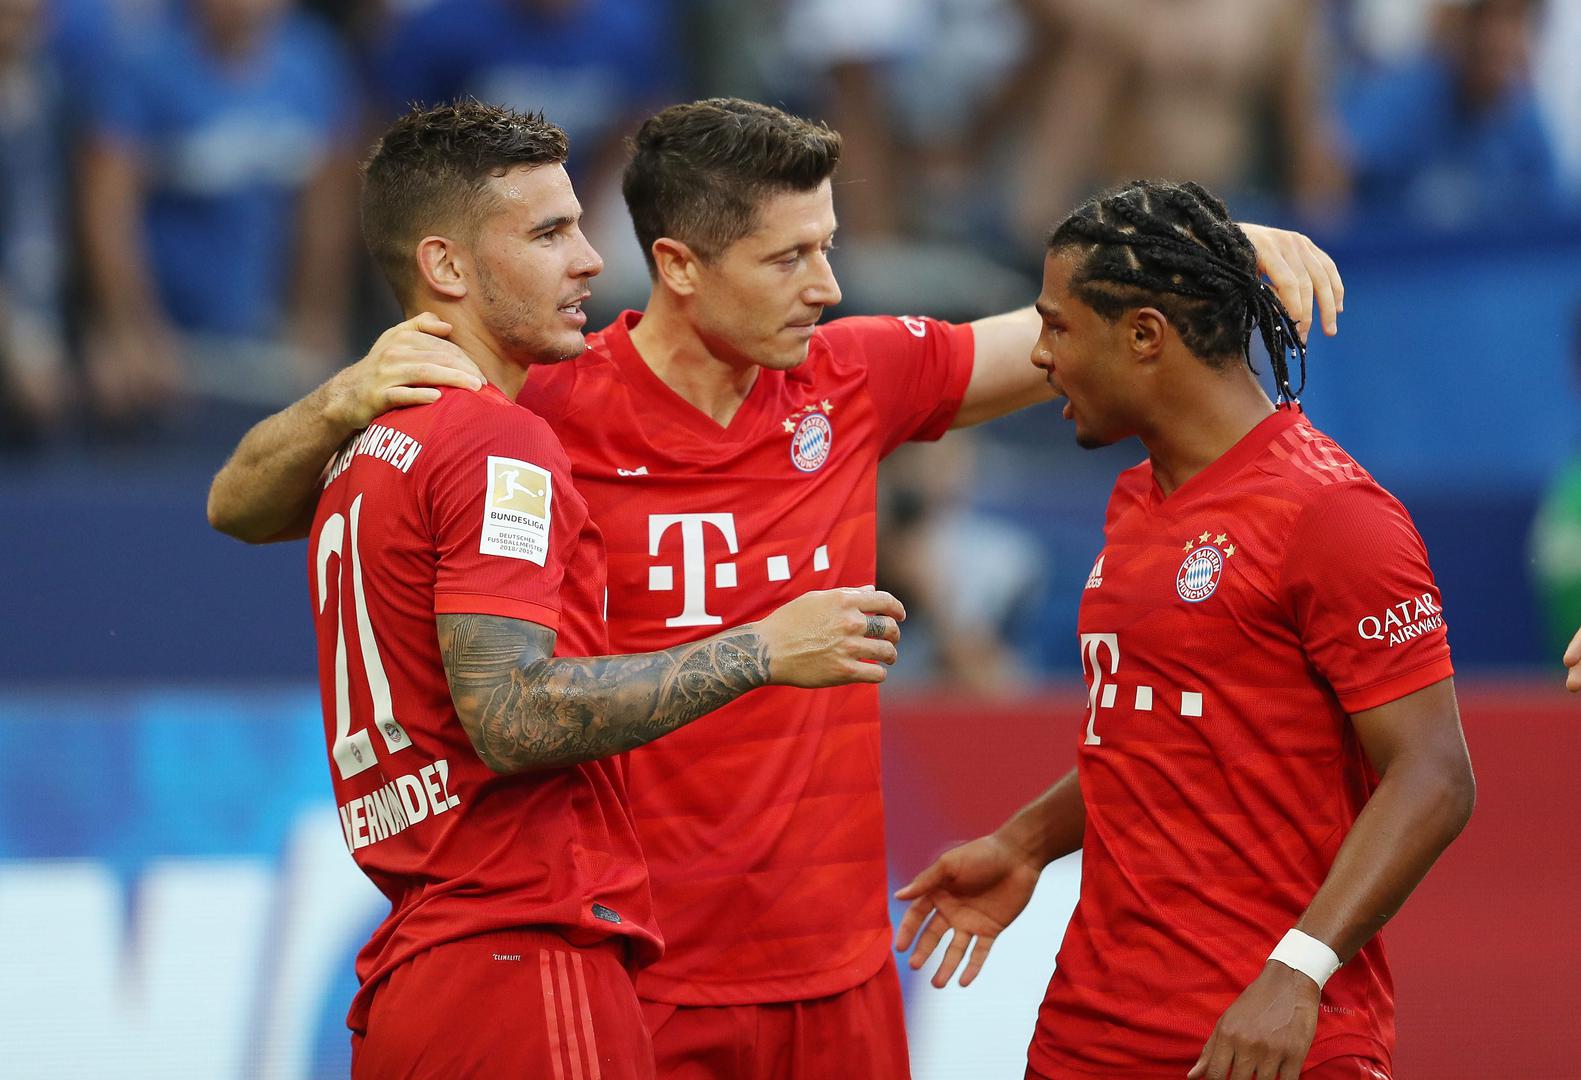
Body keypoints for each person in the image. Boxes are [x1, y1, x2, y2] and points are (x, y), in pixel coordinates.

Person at [208, 98, 1343, 1077]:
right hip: (638, 966)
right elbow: (241, 506)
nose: (826, 286)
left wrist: (1212, 246)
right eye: (789, 258)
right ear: (680, 266)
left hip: (837, 978)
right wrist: (339, 397)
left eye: (827, 247)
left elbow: (1057, 340)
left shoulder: (852, 378)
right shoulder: (534, 405)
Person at [284, 99, 905, 1078]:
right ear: (446, 266)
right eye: (548, 234)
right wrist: (764, 649)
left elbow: (234, 504)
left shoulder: (365, 439)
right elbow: (512, 714)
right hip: (522, 955)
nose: (587, 260)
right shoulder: (502, 442)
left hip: (419, 960)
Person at [893, 179, 1475, 1080]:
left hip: (1266, 1035)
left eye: (1057, 327)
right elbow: (1156, 734)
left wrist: (1297, 972)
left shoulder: (1332, 513)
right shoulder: (1137, 499)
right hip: (1087, 1032)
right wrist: (1024, 844)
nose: (1039, 356)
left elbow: (1434, 775)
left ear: (1143, 336)